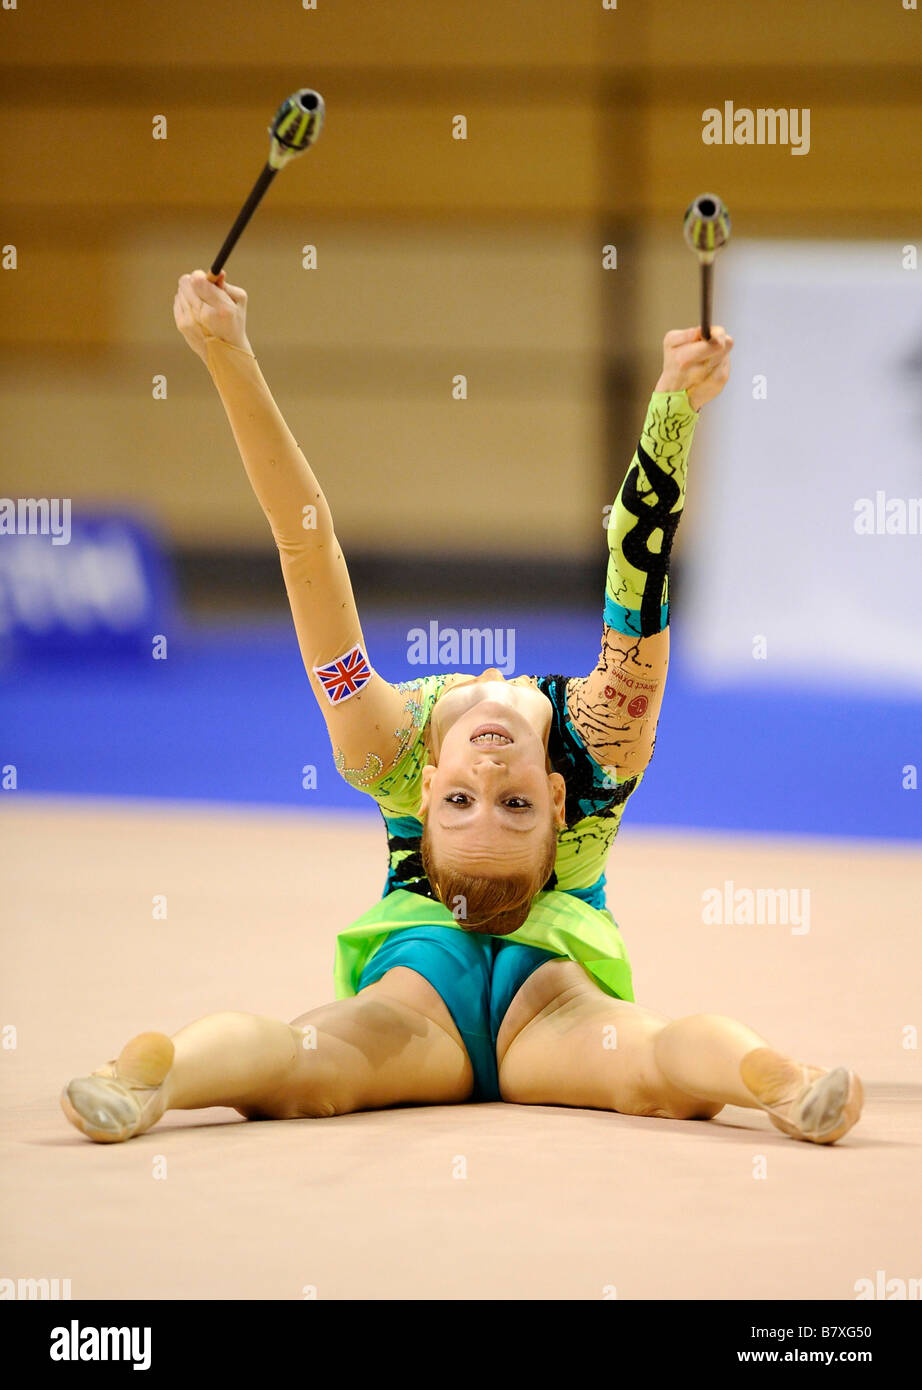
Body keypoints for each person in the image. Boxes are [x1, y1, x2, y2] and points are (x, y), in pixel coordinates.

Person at [59, 270, 862, 1144]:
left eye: (465, 803)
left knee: (310, 1066)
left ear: (425, 790)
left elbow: (302, 541)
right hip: (518, 991)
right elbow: (640, 561)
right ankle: (152, 1079)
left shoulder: (382, 749)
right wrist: (672, 406)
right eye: (507, 803)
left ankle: (782, 1082)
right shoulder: (601, 748)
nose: (485, 774)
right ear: (556, 805)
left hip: (470, 992)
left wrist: (227, 355)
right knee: (647, 1065)